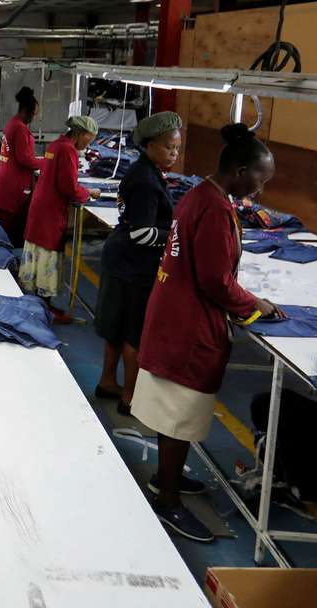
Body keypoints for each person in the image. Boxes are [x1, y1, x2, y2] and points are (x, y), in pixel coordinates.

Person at [133, 123, 282, 543]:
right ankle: (168, 501)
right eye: (260, 179)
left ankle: (168, 477)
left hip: (173, 311)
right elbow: (216, 281)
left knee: (170, 409)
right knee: (181, 413)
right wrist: (255, 305)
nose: (262, 190)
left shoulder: (201, 195)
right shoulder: (215, 208)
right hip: (189, 324)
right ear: (239, 170)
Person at [94, 112, 184, 415]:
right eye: (168, 147)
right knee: (133, 333)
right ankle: (130, 397)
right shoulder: (146, 180)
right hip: (133, 266)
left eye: (177, 148)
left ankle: (108, 381)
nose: (174, 153)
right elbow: (143, 233)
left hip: (121, 259)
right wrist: (175, 234)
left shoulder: (145, 171)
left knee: (116, 328)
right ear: (149, 145)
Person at [18, 115, 100, 323]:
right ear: (80, 134)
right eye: (87, 140)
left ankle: (39, 305)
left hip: (41, 205)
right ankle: (44, 310)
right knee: (47, 255)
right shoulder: (68, 150)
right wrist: (89, 193)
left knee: (38, 254)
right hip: (51, 210)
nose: (86, 145)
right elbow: (69, 187)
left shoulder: (56, 145)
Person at [0, 86, 43, 246]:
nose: (34, 118)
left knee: (6, 227)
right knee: (12, 231)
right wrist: (49, 162)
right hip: (15, 185)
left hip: (8, 180)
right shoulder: (20, 128)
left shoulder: (12, 123)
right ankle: (10, 263)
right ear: (26, 110)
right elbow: (24, 159)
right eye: (34, 114)